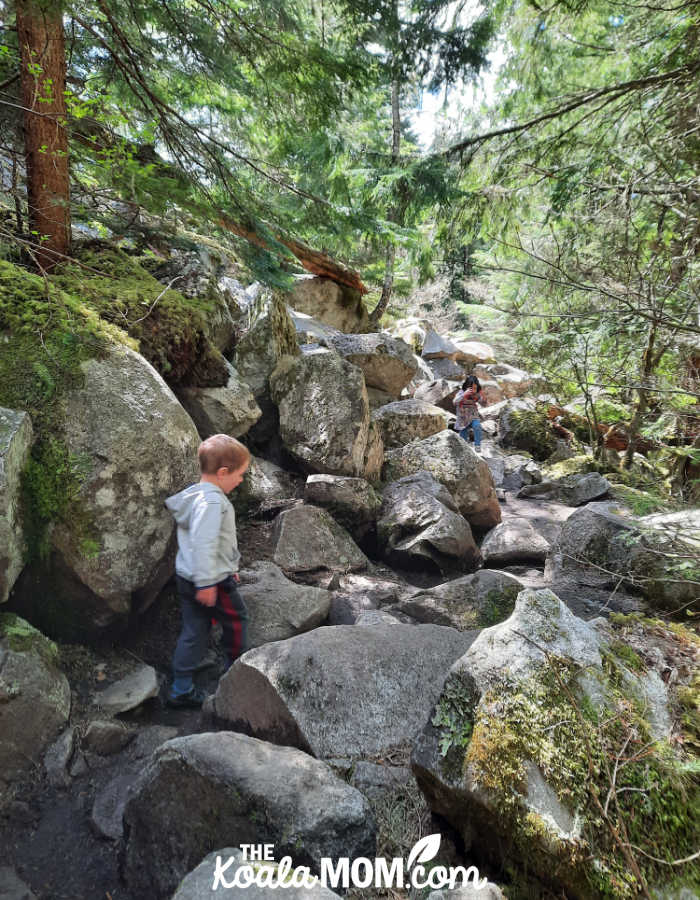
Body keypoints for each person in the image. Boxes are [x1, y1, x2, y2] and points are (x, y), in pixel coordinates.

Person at [165, 433, 251, 708]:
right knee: (237, 620)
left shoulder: (195, 495)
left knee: (195, 629)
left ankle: (181, 687)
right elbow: (205, 542)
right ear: (223, 472)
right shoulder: (212, 502)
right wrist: (207, 583)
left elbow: (206, 544)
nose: (240, 481)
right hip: (209, 580)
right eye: (239, 475)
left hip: (187, 576)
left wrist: (229, 567)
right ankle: (237, 671)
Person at [454, 375, 485, 452]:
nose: (473, 390)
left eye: (475, 388)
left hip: (473, 415)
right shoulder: (461, 392)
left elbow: (483, 402)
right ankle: (465, 450)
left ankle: (477, 446)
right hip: (463, 418)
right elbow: (454, 402)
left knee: (477, 426)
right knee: (463, 438)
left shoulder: (476, 394)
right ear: (466, 387)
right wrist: (463, 395)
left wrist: (481, 396)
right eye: (471, 388)